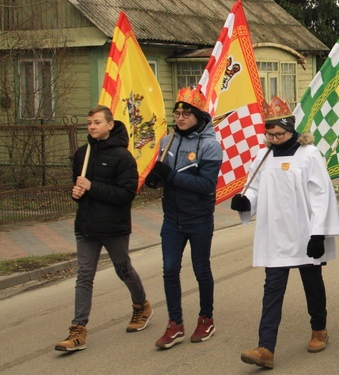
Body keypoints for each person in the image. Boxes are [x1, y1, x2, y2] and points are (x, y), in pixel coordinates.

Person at [231, 96, 339, 369]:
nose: (276, 139)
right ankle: (265, 348)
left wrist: (319, 234)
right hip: (275, 235)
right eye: (271, 134)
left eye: (280, 134)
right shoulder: (263, 156)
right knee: (272, 290)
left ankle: (319, 328)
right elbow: (254, 188)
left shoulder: (309, 155)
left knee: (312, 283)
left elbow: (321, 196)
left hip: (304, 233)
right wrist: (246, 201)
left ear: (292, 130)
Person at [55, 105, 151, 352]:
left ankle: (141, 306)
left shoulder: (123, 157)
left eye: (97, 122)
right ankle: (78, 330)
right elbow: (80, 188)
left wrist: (91, 186)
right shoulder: (82, 153)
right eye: (89, 123)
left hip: (113, 226)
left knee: (123, 269)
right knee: (84, 275)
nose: (92, 127)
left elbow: (127, 194)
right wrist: (76, 194)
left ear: (110, 124)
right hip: (86, 225)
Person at [145, 87, 222, 349]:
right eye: (177, 113)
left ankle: (206, 318)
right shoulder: (167, 141)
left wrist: (171, 176)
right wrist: (154, 180)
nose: (180, 118)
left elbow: (206, 185)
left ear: (198, 115)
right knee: (169, 270)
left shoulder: (210, 145)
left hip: (199, 218)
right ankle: (175, 324)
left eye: (186, 113)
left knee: (201, 270)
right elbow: (163, 177)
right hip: (172, 220)